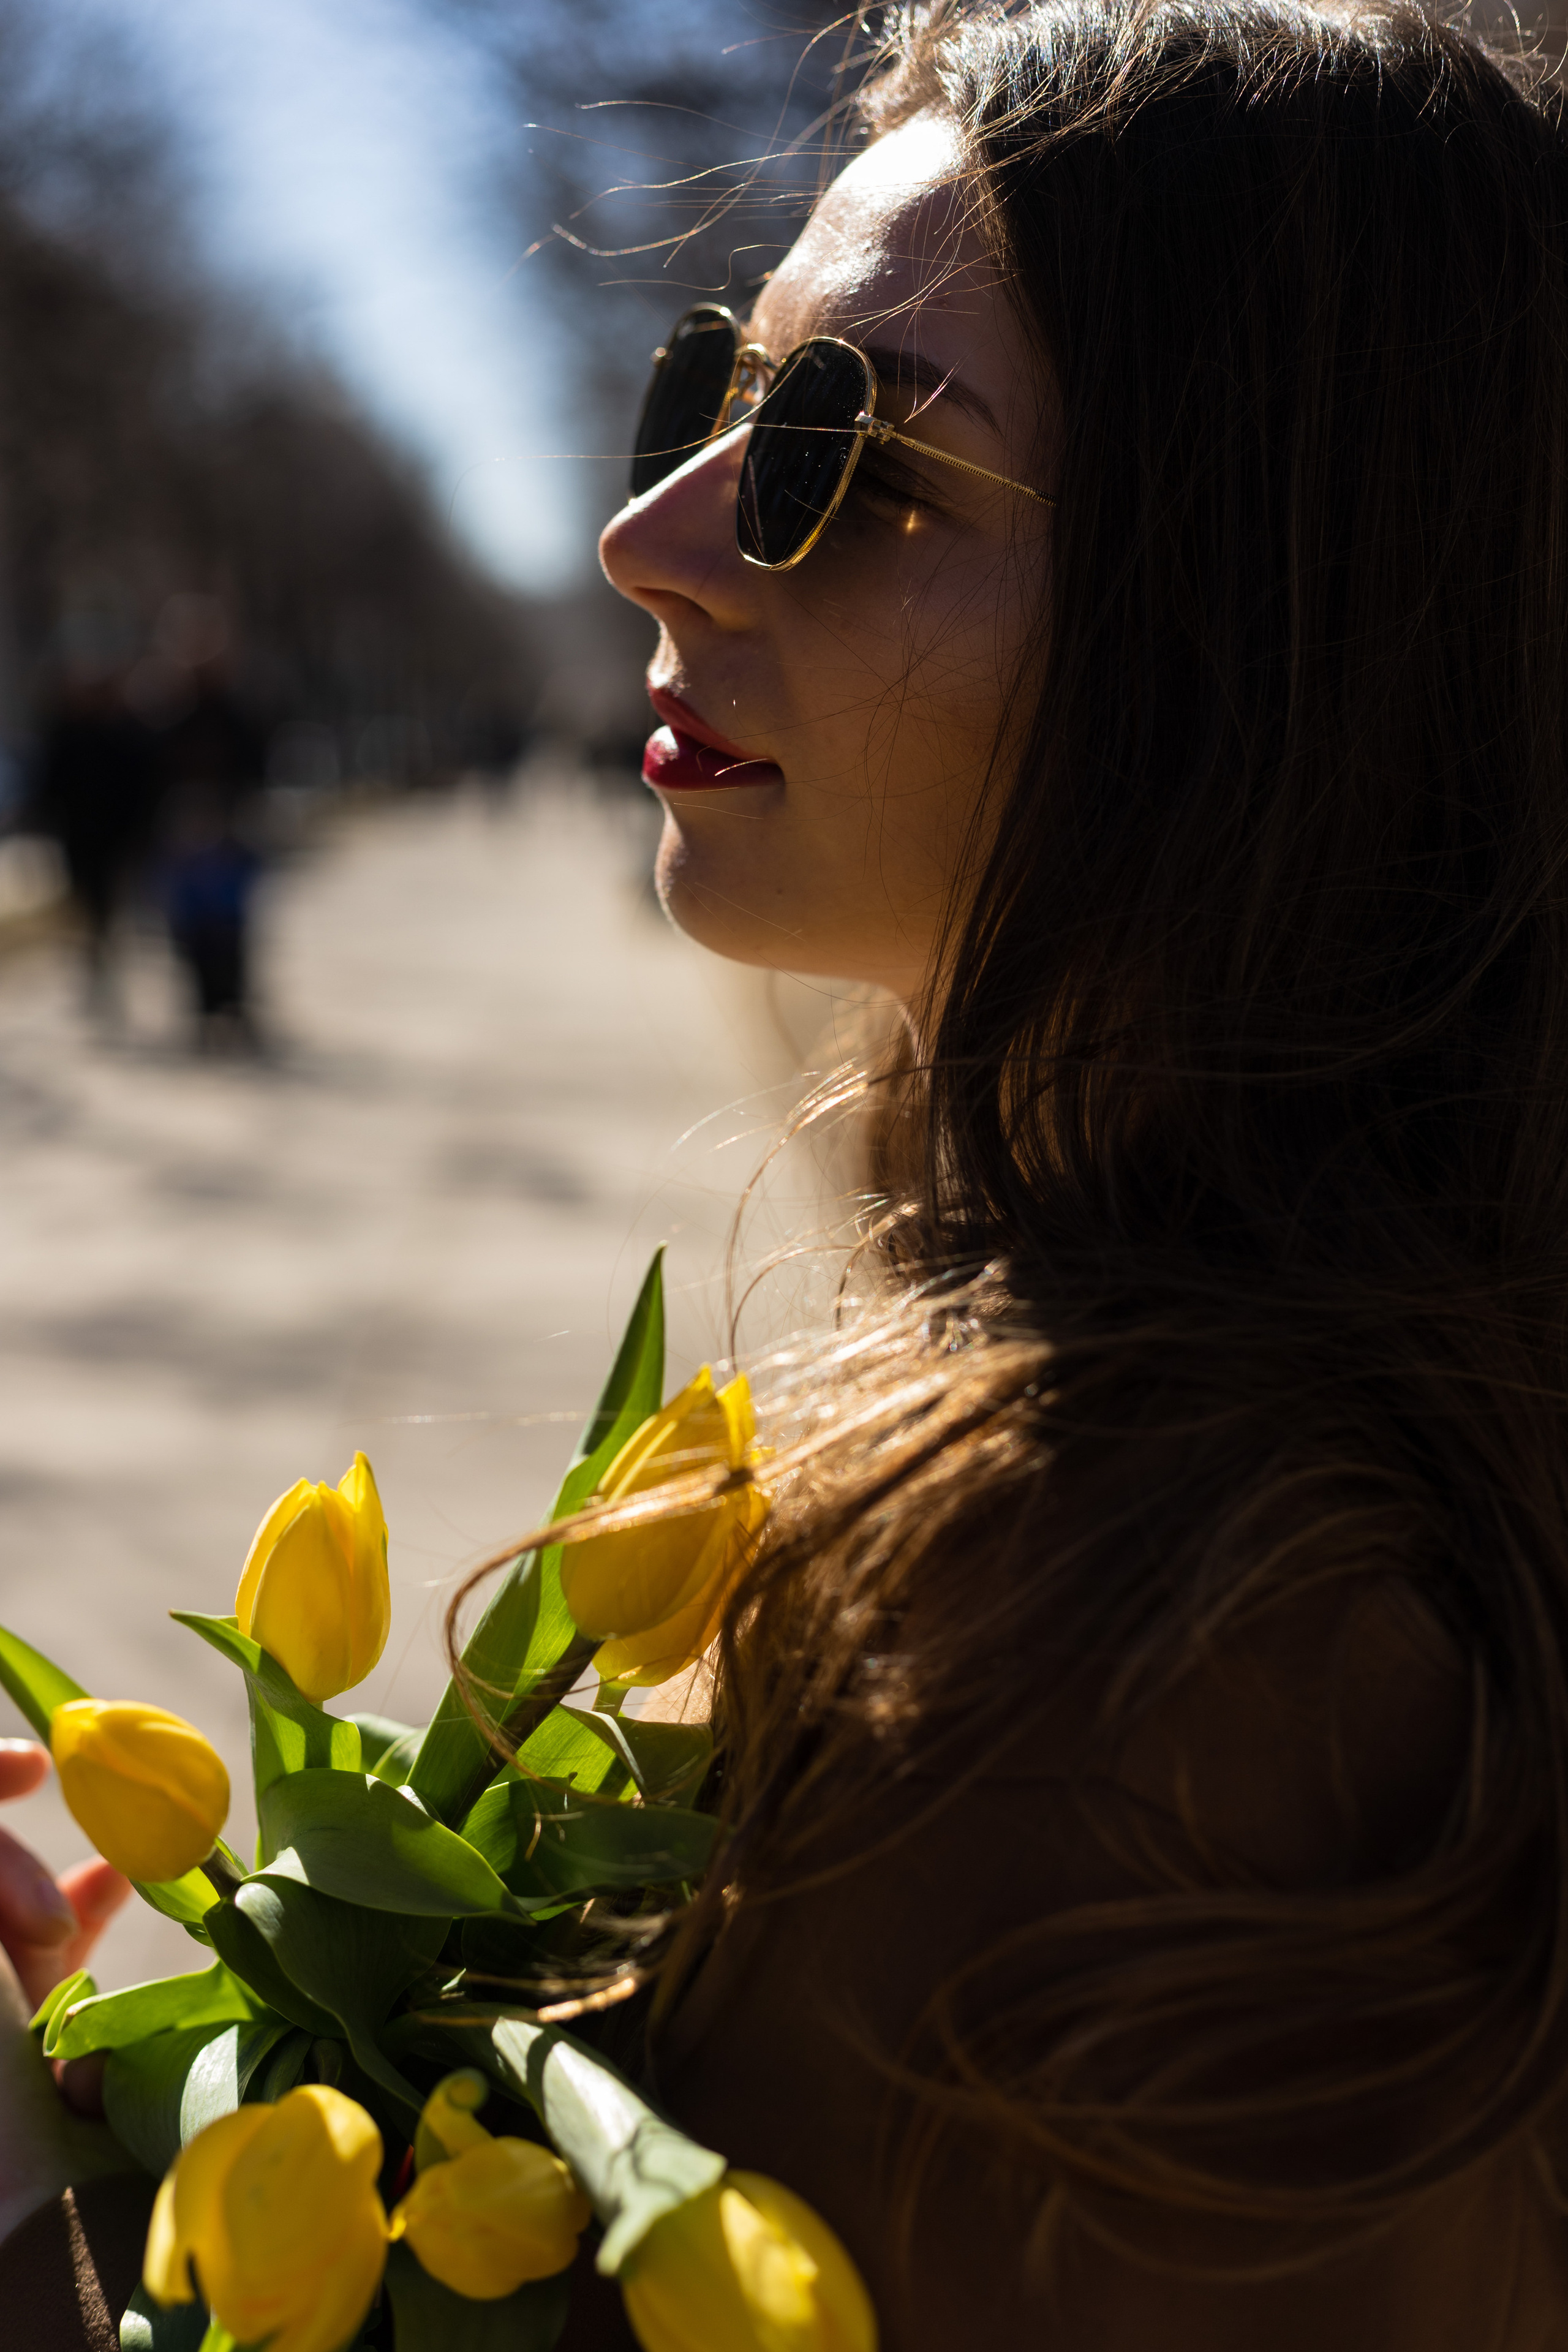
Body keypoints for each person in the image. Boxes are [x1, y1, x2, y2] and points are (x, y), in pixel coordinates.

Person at [4, 2, 1568, 2343]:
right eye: (718, 403)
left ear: (1270, 637)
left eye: (868, 470)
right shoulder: (1369, 1422)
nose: (652, 542)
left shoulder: (1133, 1621)